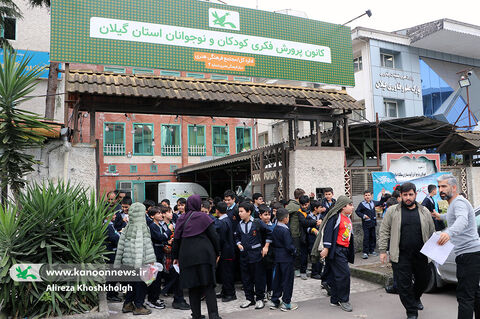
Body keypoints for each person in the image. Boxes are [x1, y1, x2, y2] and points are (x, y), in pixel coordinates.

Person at [379, 182, 435, 319]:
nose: (408, 197)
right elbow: (384, 230)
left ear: (415, 195)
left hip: (422, 255)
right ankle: (411, 312)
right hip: (401, 255)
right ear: (401, 196)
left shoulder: (424, 211)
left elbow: (432, 231)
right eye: (405, 195)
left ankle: (415, 297)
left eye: (411, 194)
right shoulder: (393, 211)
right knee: (403, 286)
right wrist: (382, 250)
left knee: (424, 281)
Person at [434, 174, 480, 319]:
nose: (440, 189)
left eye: (444, 186)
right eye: (439, 186)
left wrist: (449, 233)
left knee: (465, 296)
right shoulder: (455, 203)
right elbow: (453, 216)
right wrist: (440, 216)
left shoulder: (459, 202)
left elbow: (461, 220)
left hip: (468, 255)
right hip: (471, 254)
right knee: (475, 292)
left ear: (454, 187)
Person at [172, 195, 221, 319]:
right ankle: (213, 315)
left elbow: (176, 240)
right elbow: (214, 236)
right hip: (205, 256)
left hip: (187, 257)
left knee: (193, 288)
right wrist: (217, 252)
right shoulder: (204, 217)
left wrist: (175, 256)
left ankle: (196, 315)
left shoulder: (181, 218)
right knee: (208, 286)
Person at [114, 202, 156, 315]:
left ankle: (127, 304)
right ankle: (138, 306)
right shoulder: (142, 227)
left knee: (131, 284)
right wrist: (146, 263)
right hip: (140, 262)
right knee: (140, 285)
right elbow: (141, 246)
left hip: (128, 262)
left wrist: (117, 263)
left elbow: (121, 246)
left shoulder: (127, 227)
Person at [320, 195, 355, 313]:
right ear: (342, 207)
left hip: (344, 250)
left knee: (336, 275)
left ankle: (334, 299)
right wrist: (326, 248)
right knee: (344, 274)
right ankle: (344, 300)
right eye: (350, 205)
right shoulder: (335, 217)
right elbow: (328, 232)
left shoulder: (348, 218)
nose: (352, 207)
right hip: (336, 250)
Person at [235, 201, 272, 310]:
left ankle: (260, 298)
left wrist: (266, 246)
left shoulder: (257, 223)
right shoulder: (239, 224)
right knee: (246, 278)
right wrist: (238, 244)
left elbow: (269, 233)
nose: (239, 214)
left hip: (256, 255)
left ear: (249, 212)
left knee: (258, 277)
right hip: (244, 255)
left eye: (241, 211)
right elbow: (236, 236)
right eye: (239, 211)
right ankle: (249, 298)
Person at [269, 208, 298, 311]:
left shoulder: (275, 228)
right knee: (287, 280)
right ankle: (286, 302)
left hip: (277, 257)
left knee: (277, 279)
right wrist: (295, 252)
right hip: (286, 258)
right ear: (285, 218)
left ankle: (275, 300)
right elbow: (289, 246)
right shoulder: (285, 230)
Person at [146, 206, 168, 310]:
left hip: (160, 253)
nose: (161, 215)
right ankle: (152, 300)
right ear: (152, 216)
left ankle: (155, 296)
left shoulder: (159, 225)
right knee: (155, 278)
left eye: (161, 213)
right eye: (158, 213)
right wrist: (168, 232)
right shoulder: (152, 226)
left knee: (159, 278)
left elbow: (164, 238)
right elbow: (160, 237)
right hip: (154, 254)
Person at [215, 201, 237, 302]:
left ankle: (230, 293)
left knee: (227, 273)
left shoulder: (222, 222)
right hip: (228, 249)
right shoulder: (227, 219)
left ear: (217, 211)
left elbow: (221, 239)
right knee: (225, 272)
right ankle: (225, 290)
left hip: (226, 251)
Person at [298, 195, 321, 280]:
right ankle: (303, 271)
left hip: (311, 237)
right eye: (303, 205)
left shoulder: (313, 211)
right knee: (304, 255)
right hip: (303, 236)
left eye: (306, 204)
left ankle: (315, 271)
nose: (305, 206)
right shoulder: (300, 212)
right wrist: (315, 222)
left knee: (313, 254)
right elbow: (304, 223)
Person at [285, 188, 305, 275]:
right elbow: (285, 213)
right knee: (296, 249)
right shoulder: (293, 205)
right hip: (294, 231)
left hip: (300, 231)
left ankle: (300, 267)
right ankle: (296, 267)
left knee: (301, 250)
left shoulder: (299, 204)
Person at [355, 190, 380, 259]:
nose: (367, 196)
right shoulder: (362, 204)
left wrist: (383, 196)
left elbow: (381, 202)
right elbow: (357, 211)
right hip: (366, 224)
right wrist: (363, 216)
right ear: (364, 196)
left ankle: (372, 250)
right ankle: (365, 252)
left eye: (368, 195)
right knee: (366, 237)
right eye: (366, 195)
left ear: (371, 196)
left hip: (373, 223)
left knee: (373, 237)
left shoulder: (373, 202)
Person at [258, 204, 275, 298]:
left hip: (270, 253)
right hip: (259, 252)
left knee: (269, 272)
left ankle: (270, 290)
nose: (268, 216)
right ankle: (262, 292)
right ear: (260, 215)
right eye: (265, 214)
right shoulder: (257, 225)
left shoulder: (273, 226)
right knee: (261, 274)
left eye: (269, 214)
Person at [105, 211, 122, 302]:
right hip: (110, 253)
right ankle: (110, 294)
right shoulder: (107, 226)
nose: (115, 216)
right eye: (113, 214)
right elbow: (114, 238)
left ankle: (113, 293)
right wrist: (120, 235)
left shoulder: (110, 225)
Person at [308, 201, 323, 279]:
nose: (322, 209)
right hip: (312, 239)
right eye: (320, 207)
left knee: (320, 255)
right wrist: (313, 230)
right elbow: (306, 228)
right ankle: (314, 273)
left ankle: (319, 272)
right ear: (315, 208)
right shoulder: (309, 216)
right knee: (314, 255)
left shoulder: (321, 216)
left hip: (320, 239)